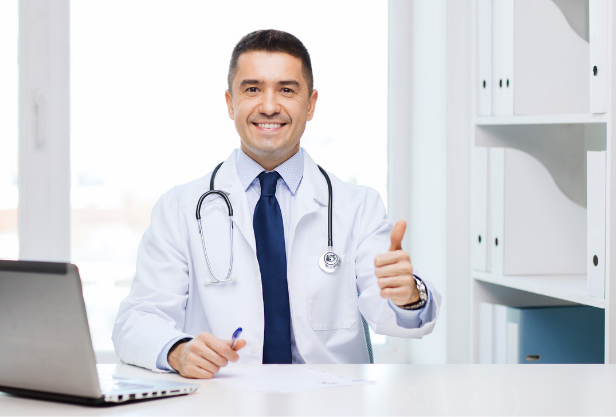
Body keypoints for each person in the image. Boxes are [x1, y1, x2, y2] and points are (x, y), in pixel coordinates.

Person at [113, 29, 441, 379]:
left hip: (332, 402)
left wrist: (409, 295)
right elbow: (138, 318)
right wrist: (177, 351)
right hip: (221, 402)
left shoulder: (358, 207)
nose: (269, 106)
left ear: (311, 104)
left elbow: (393, 312)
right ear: (229, 102)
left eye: (286, 89)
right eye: (252, 89)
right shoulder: (179, 208)